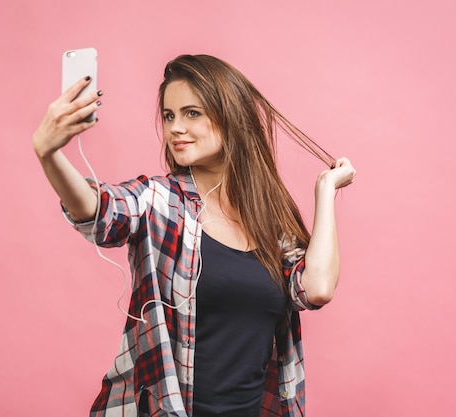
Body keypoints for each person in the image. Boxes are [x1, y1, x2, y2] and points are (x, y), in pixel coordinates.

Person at [33, 54, 356, 417]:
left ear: (230, 116)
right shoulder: (158, 200)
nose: (174, 128)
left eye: (192, 113)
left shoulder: (267, 220)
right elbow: (100, 210)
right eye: (169, 116)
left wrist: (325, 191)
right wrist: (50, 155)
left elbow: (316, 288)